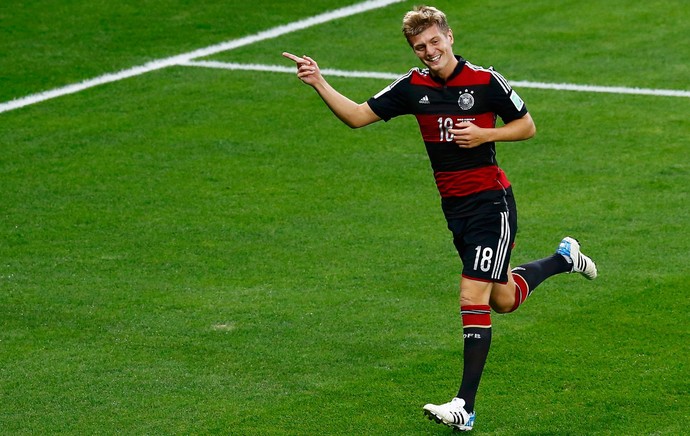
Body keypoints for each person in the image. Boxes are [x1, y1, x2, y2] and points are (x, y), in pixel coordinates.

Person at [283, 4, 597, 432]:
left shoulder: (486, 82)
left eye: (434, 41)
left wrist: (486, 133)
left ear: (449, 37)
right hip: (456, 211)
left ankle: (464, 406)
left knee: (472, 296)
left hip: (492, 204)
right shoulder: (412, 88)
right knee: (501, 299)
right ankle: (565, 258)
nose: (429, 51)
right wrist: (319, 81)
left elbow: (527, 126)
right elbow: (357, 117)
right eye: (419, 46)